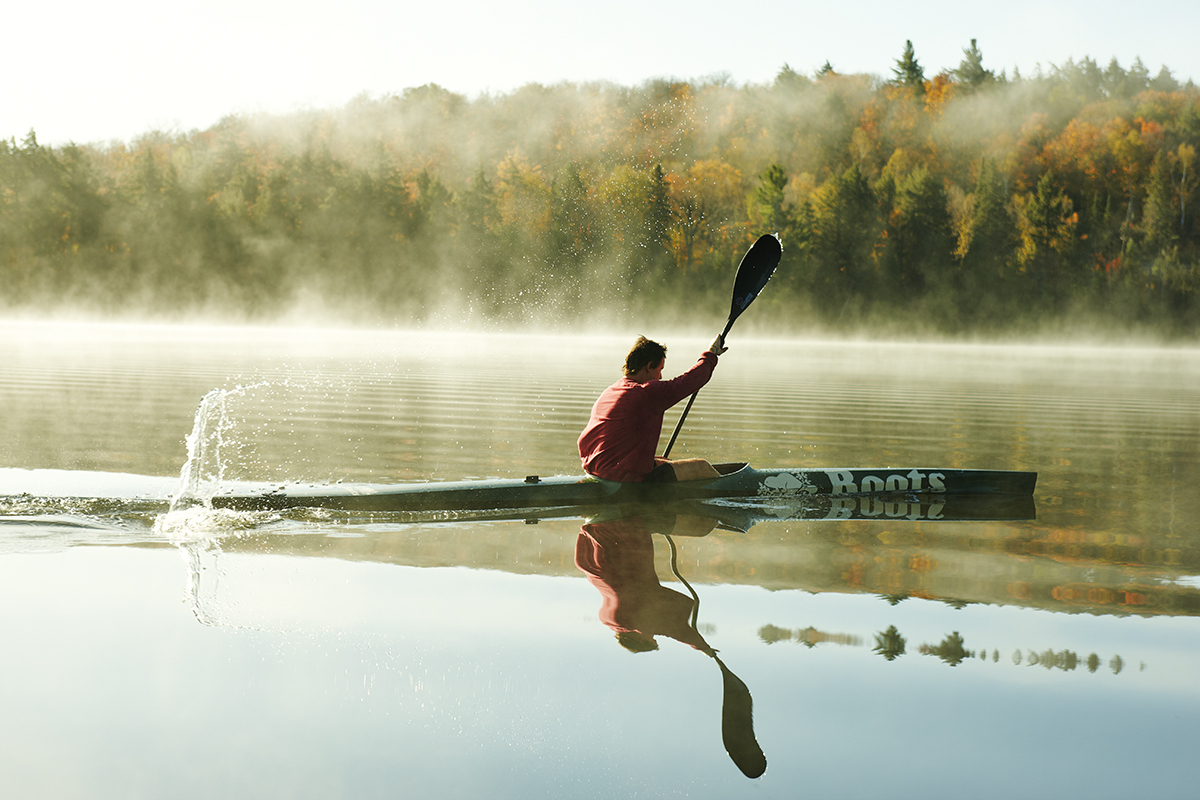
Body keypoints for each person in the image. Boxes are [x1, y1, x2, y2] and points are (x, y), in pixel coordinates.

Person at [578, 334, 727, 483]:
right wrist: (711, 353)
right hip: (622, 479)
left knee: (664, 462)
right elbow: (691, 381)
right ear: (649, 367)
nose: (661, 376)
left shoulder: (611, 391)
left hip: (596, 471)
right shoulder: (645, 392)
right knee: (701, 467)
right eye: (660, 369)